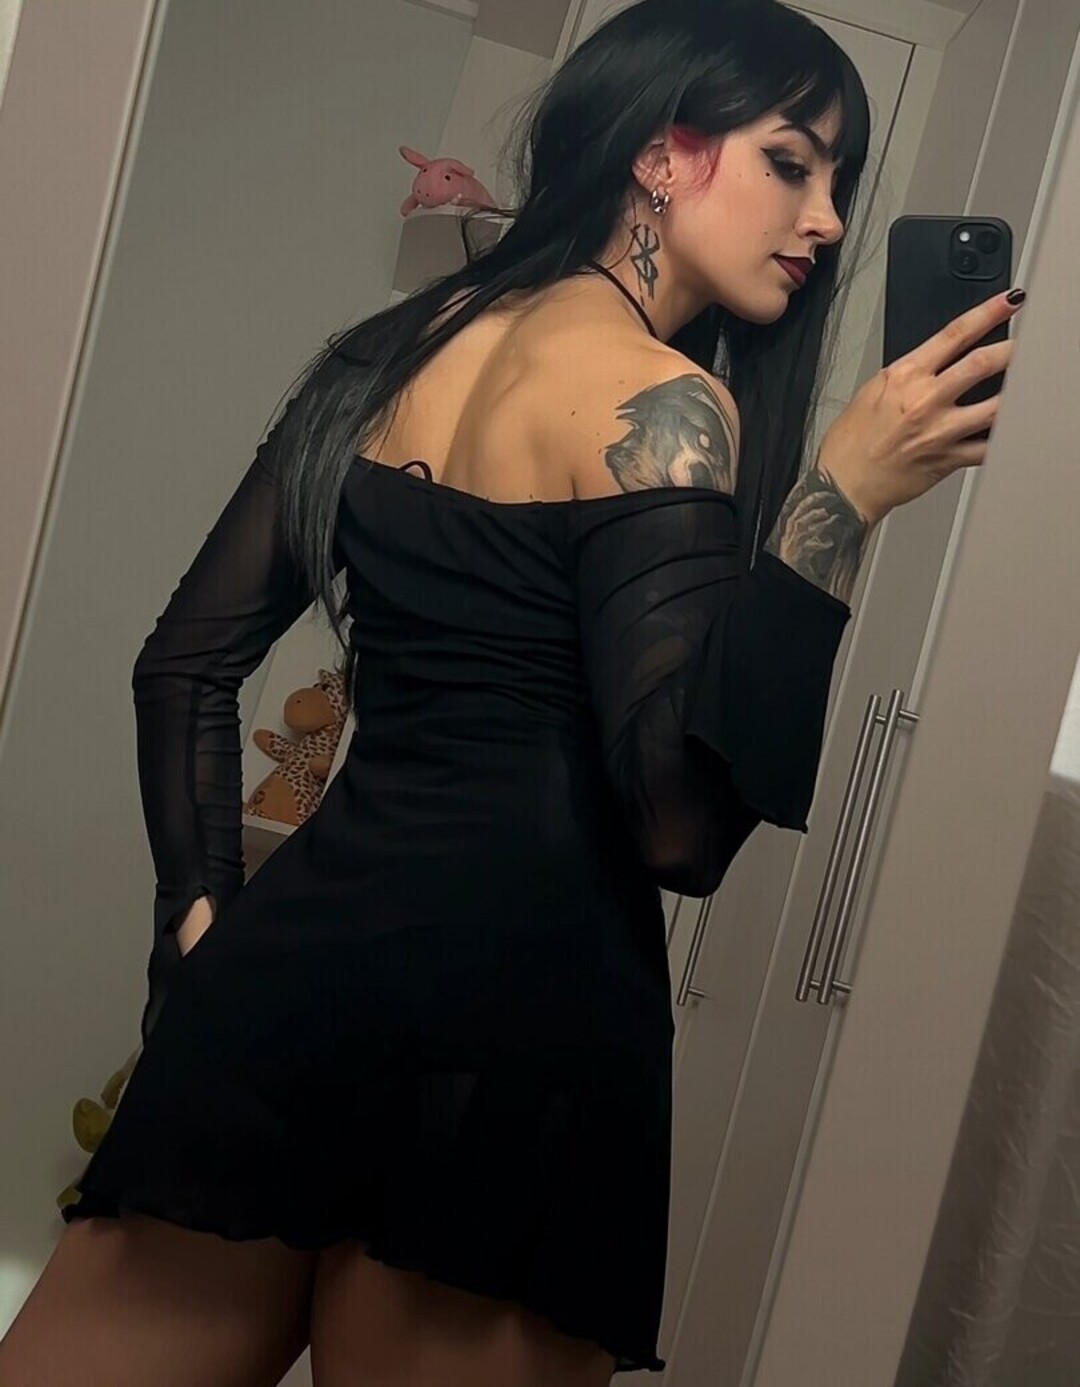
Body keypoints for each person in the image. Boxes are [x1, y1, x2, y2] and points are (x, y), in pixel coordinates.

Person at [0, 0, 1022, 1383]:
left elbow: (182, 661)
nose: (828, 218)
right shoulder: (669, 409)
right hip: (521, 1033)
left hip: (285, 989)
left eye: (837, 178)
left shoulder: (390, 352)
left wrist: (200, 934)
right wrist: (839, 502)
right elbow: (678, 832)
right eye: (792, 162)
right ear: (659, 154)